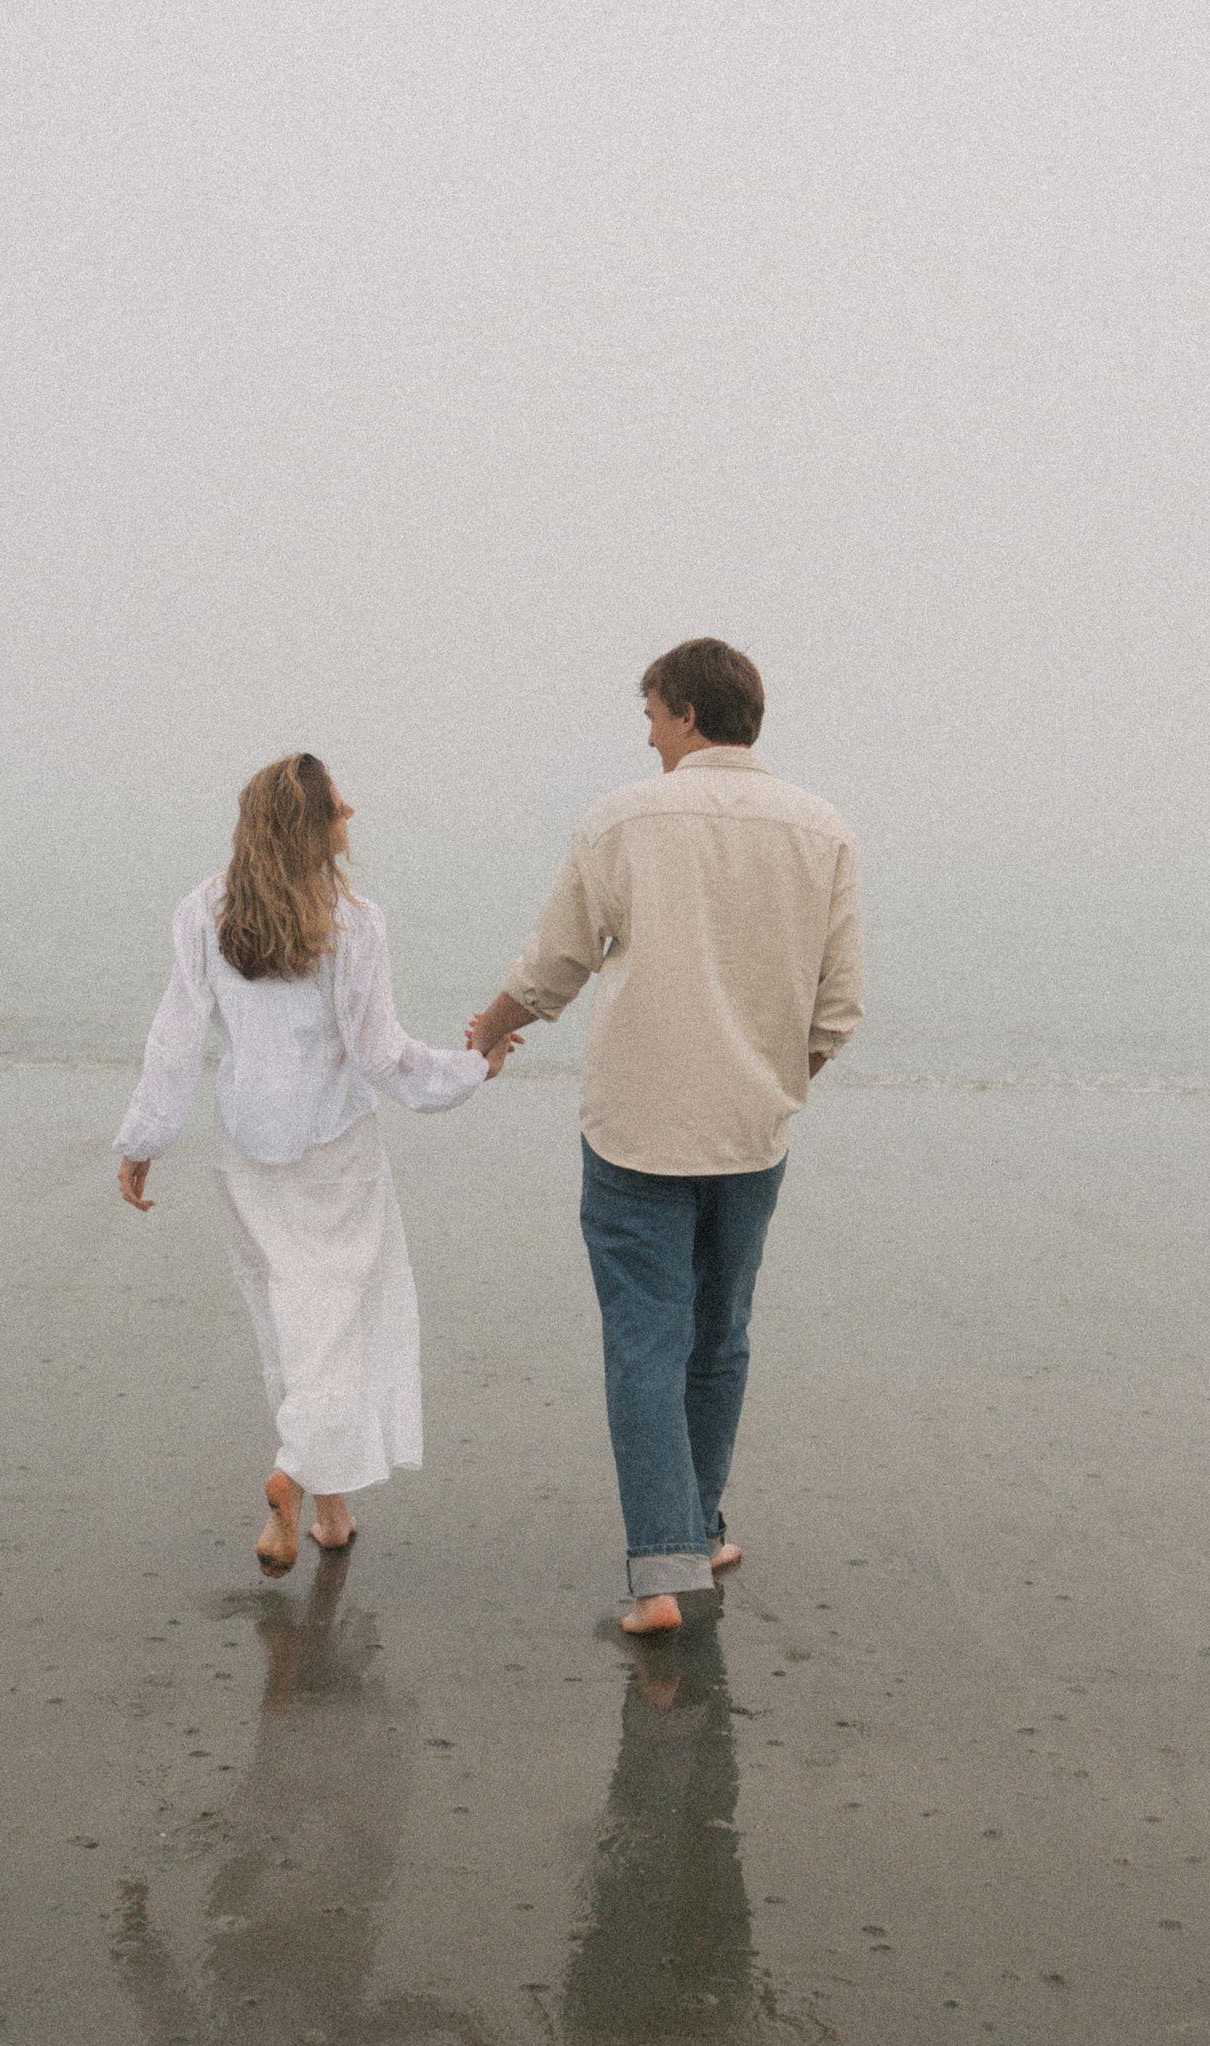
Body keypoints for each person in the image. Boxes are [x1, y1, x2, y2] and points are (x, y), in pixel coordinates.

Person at [467, 638, 863, 1636]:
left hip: (635, 1126)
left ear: (686, 713)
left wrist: (490, 1023)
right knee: (718, 1335)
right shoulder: (822, 832)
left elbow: (556, 959)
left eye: (650, 716)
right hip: (750, 1131)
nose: (646, 737)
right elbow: (836, 1010)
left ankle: (661, 1575)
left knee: (646, 1339)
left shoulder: (621, 819)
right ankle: (701, 1526)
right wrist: (775, 1082)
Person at [115, 751, 515, 1576]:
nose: (353, 814)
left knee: (291, 1322)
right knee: (343, 1317)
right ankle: (294, 1474)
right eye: (339, 806)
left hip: (245, 1149)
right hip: (335, 1150)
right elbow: (381, 1056)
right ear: (310, 826)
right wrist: (472, 1066)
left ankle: (330, 1511)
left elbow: (175, 1038)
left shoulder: (203, 909)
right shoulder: (354, 921)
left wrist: (143, 1142)